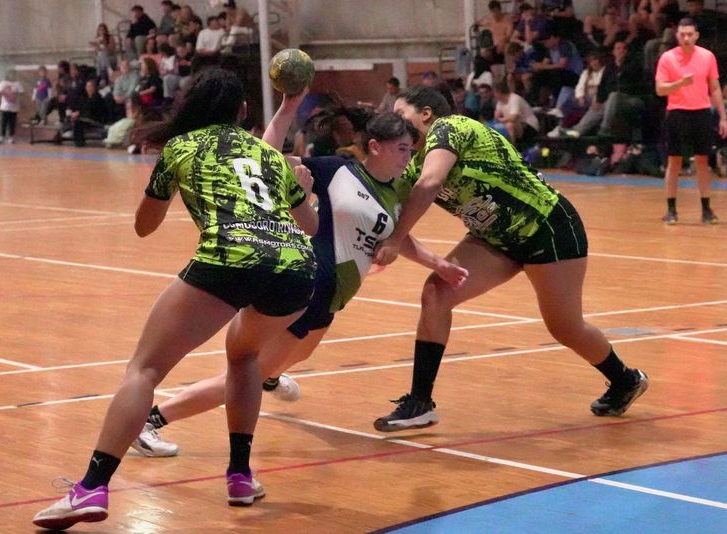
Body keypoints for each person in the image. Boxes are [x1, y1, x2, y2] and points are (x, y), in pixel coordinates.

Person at [31, 68, 318, 530]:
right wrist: (301, 189)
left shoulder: (181, 148)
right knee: (244, 356)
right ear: (243, 111)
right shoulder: (269, 154)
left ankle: (92, 487)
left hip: (229, 256)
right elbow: (311, 226)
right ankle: (240, 477)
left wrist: (167, 190)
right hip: (296, 268)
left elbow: (144, 227)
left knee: (144, 369)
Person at [125, 94, 468, 458]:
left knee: (300, 353)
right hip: (307, 283)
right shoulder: (336, 170)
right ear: (375, 147)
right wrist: (287, 114)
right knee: (246, 375)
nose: (408, 158)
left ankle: (271, 376)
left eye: (410, 151)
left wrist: (437, 263)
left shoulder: (395, 192)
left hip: (331, 299)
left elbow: (396, 236)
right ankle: (149, 421)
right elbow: (266, 158)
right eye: (401, 149)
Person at [371, 85, 649, 432]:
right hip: (495, 239)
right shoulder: (413, 165)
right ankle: (419, 403)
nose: (396, 124)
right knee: (436, 293)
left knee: (565, 327)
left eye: (401, 115)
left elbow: (431, 183)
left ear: (426, 114)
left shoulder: (451, 127)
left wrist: (395, 239)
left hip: (546, 226)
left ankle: (625, 379)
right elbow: (389, 210)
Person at [655, 17, 727, 225]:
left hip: (701, 113)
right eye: (682, 34)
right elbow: (660, 89)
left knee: (703, 161)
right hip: (677, 113)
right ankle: (671, 210)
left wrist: (723, 116)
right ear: (677, 35)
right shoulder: (667, 58)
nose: (686, 38)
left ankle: (706, 209)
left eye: (689, 34)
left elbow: (714, 87)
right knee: (674, 161)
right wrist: (680, 83)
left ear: (696, 35)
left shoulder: (707, 57)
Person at [0, 70, 23, 144]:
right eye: (10, 74)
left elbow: (21, 92)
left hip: (14, 107)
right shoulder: (3, 83)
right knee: (3, 122)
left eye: (13, 74)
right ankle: (2, 136)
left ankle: (11, 137)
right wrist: (6, 94)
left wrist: (14, 95)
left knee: (12, 123)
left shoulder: (17, 84)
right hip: (4, 107)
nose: (11, 76)